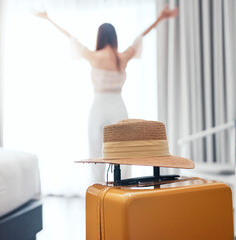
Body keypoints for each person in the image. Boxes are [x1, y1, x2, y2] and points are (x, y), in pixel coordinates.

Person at [33, 5, 178, 183]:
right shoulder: (121, 57)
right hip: (118, 106)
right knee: (125, 151)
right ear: (114, 37)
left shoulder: (94, 56)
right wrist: (160, 18)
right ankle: (124, 190)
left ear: (99, 37)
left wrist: (48, 18)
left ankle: (98, 190)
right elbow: (140, 37)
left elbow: (71, 37)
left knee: (96, 151)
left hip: (99, 106)